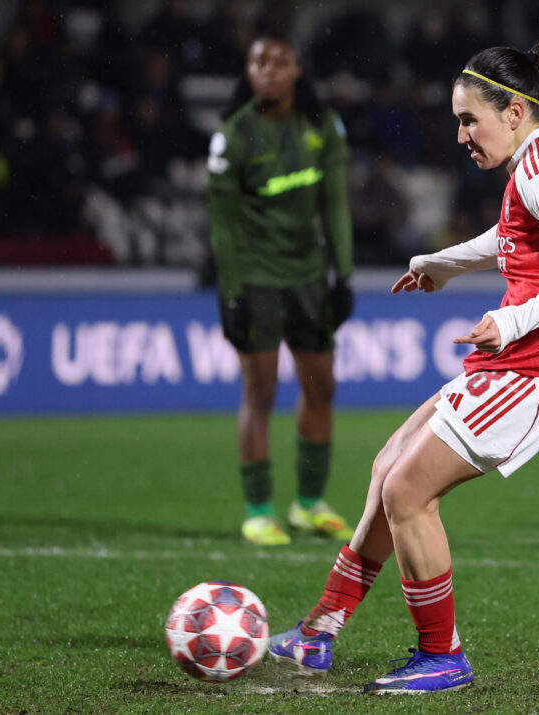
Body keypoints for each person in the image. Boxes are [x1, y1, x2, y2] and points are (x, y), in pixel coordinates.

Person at [268, 37, 539, 693]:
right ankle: (319, 629)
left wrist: (513, 319)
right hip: (527, 359)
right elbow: (518, 236)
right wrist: (446, 262)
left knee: (409, 489)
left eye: (471, 120)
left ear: (515, 112)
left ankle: (443, 655)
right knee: (389, 466)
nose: (462, 134)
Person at [206, 32, 356, 546]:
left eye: (280, 61)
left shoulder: (321, 126)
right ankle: (259, 509)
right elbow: (222, 226)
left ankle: (309, 504)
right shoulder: (234, 136)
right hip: (257, 277)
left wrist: (344, 274)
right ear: (248, 73)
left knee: (321, 388)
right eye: (259, 62)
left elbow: (334, 204)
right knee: (260, 392)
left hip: (309, 277)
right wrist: (231, 291)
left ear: (296, 71)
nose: (269, 70)